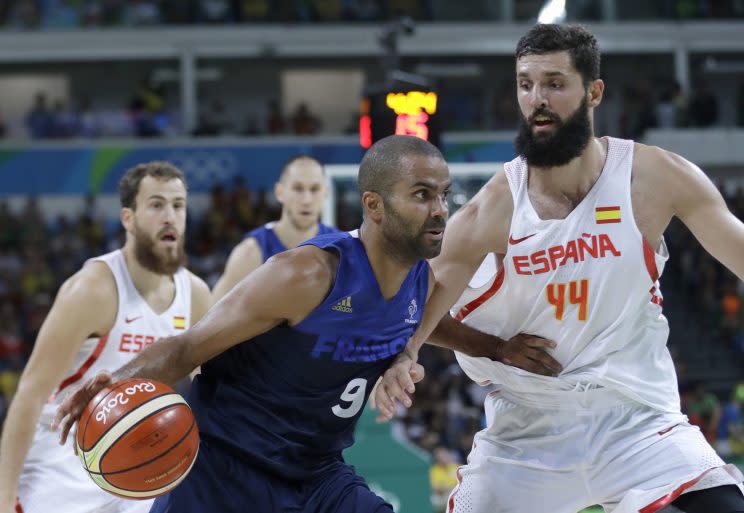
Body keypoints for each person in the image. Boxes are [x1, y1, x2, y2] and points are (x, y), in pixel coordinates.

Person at [374, 24, 744, 513]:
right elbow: (415, 310)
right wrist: (418, 355)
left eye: (554, 83)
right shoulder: (494, 208)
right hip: (527, 429)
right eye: (525, 84)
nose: (537, 99)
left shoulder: (654, 178)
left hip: (637, 418)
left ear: (594, 92)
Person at [52, 135, 495, 513]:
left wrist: (496, 349)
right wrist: (112, 387)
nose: (440, 209)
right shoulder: (306, 274)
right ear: (374, 206)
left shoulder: (421, 283)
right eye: (422, 195)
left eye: (444, 194)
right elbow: (187, 349)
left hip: (316, 473)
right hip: (223, 470)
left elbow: (431, 323)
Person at [0, 162, 212, 513]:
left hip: (143, 456)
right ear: (128, 218)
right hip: (64, 457)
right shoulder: (92, 289)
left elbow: (210, 393)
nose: (170, 216)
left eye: (178, 205)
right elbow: (30, 395)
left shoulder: (197, 295)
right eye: (156, 204)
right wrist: (4, 498)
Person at [212, 155, 336, 302]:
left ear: (326, 192)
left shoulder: (340, 249)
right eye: (298, 188)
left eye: (314, 189)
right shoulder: (251, 252)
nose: (306, 200)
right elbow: (209, 315)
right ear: (279, 192)